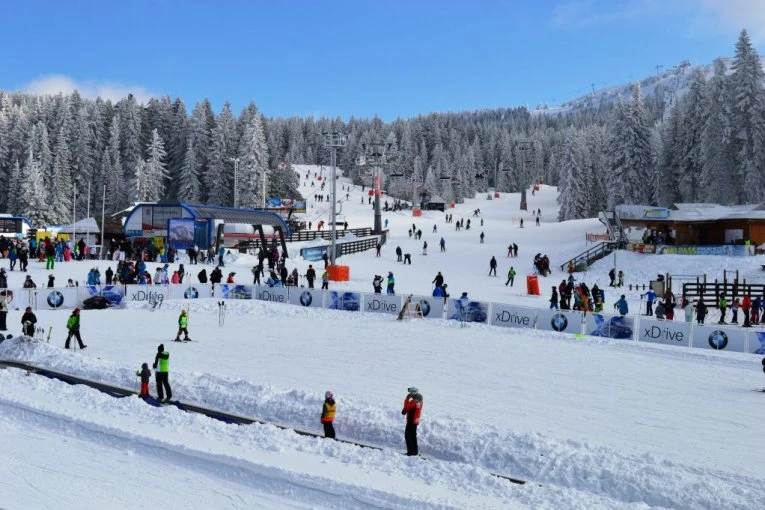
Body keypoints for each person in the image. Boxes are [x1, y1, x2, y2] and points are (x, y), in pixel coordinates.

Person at [402, 387, 423, 456]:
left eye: (410, 393)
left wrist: (407, 399)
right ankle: (415, 452)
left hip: (411, 421)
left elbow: (405, 410)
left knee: (407, 436)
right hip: (415, 421)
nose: (410, 394)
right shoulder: (420, 400)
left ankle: (410, 452)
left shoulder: (413, 402)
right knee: (413, 436)